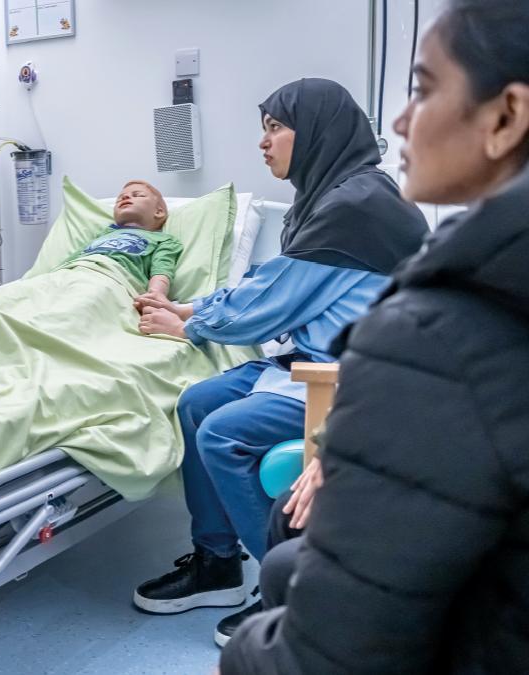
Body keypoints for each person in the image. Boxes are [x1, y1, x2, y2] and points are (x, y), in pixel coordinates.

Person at [223, 0, 529, 671]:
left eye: (422, 90)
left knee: (254, 484)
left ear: (506, 116)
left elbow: (331, 654)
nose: (397, 122)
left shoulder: (433, 328)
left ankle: (236, 583)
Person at [129, 78, 429, 646]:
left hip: (353, 377)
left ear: (314, 132)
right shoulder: (329, 198)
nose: (263, 143)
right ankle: (217, 563)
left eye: (275, 128)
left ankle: (297, 590)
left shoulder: (357, 208)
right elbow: (270, 286)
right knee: (196, 402)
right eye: (262, 130)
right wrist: (190, 306)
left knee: (224, 434)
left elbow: (269, 304)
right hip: (309, 357)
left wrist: (189, 326)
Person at [61, 180, 182, 297]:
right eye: (120, 198)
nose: (125, 197)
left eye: (137, 195)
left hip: (112, 277)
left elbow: (161, 271)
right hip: (72, 272)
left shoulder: (163, 240)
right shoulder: (104, 234)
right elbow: (75, 257)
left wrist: (155, 294)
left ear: (159, 212)